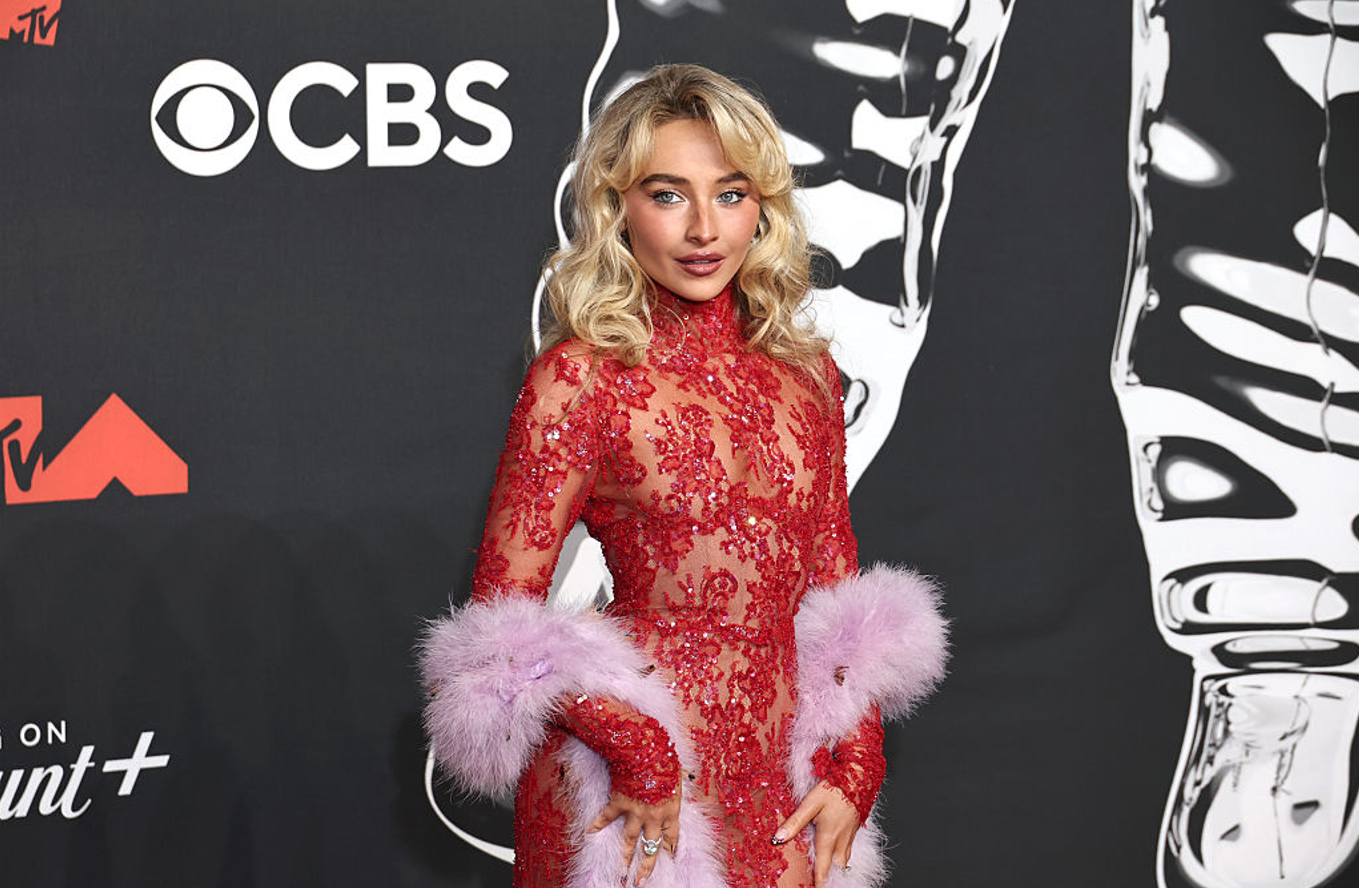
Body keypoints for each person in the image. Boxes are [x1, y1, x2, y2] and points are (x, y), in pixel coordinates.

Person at [420, 64, 948, 888]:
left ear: (762, 206)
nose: (704, 228)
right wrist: (637, 748)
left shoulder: (806, 374)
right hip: (630, 790)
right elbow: (498, 633)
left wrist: (856, 759)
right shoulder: (580, 379)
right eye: (667, 195)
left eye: (730, 194)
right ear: (616, 206)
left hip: (777, 778)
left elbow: (835, 593)